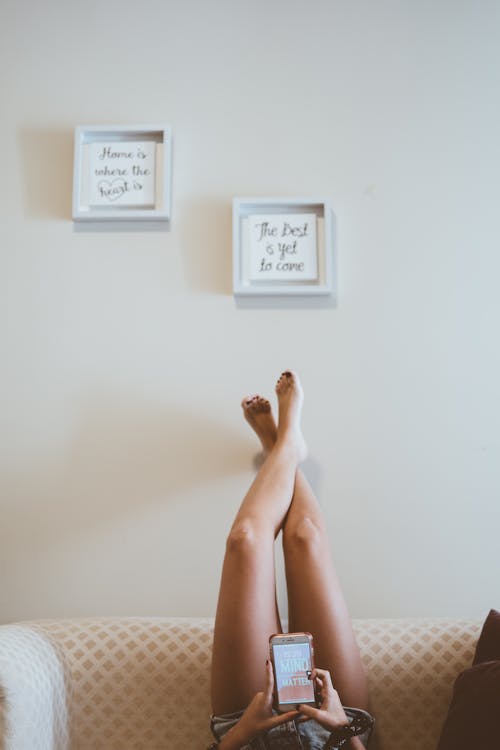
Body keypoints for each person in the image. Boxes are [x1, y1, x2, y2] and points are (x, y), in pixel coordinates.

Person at [208, 371, 374, 750]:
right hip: (340, 728)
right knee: (305, 538)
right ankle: (283, 445)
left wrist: (245, 730)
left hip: (247, 728)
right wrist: (340, 727)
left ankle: (280, 445)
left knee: (245, 542)